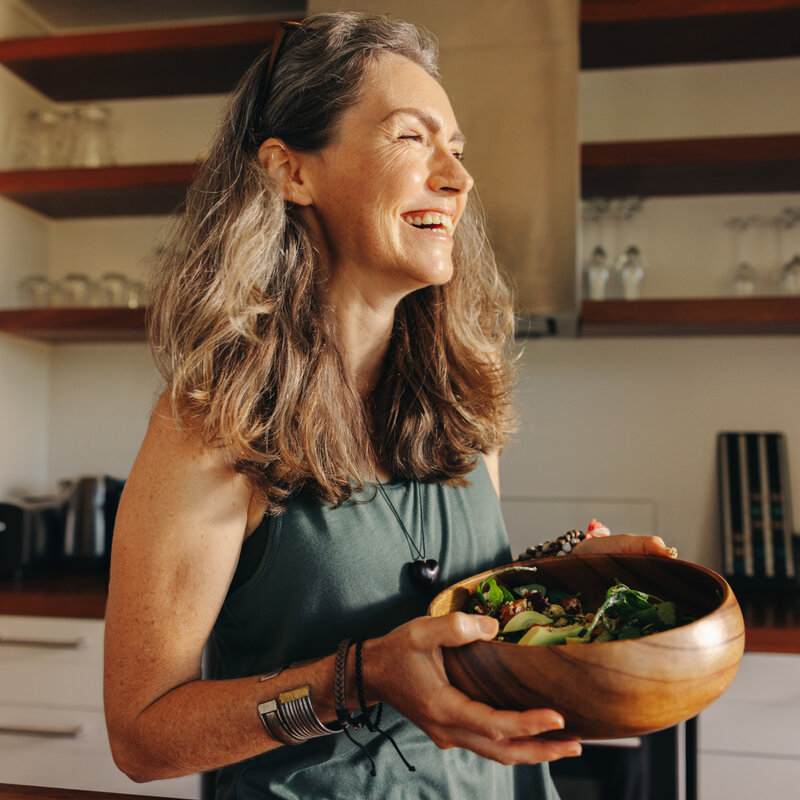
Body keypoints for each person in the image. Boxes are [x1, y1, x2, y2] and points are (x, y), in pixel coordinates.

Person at [103, 12, 675, 800]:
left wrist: (562, 573)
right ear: (290, 171)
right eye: (412, 138)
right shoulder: (210, 424)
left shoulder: (461, 403)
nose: (457, 177)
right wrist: (357, 679)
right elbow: (142, 735)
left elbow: (457, 613)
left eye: (459, 150)